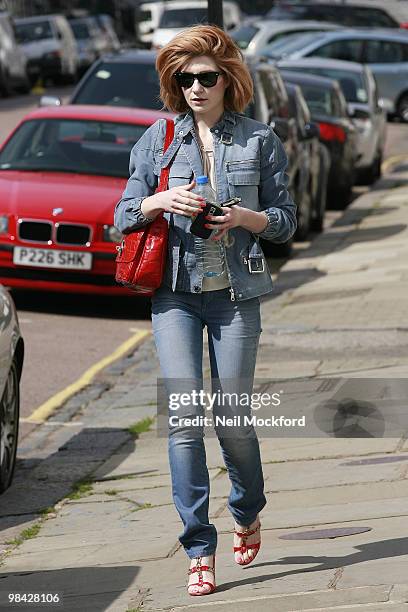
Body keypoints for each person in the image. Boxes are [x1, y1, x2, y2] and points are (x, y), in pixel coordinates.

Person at [114, 24, 296, 596]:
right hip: (175, 296)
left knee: (234, 420)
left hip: (237, 296)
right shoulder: (159, 138)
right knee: (186, 422)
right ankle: (198, 545)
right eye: (184, 77)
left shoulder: (259, 140)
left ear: (227, 81)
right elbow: (121, 215)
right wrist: (159, 200)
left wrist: (244, 218)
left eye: (205, 77)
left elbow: (287, 221)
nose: (195, 86)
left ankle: (247, 508)